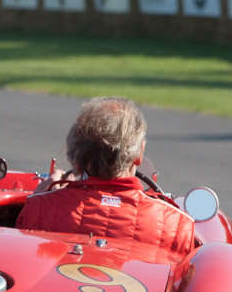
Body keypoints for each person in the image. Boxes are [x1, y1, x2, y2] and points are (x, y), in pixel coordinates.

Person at [16, 97, 195, 256]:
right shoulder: (176, 223)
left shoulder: (39, 208)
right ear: (139, 154)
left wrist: (42, 197)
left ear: (76, 155)